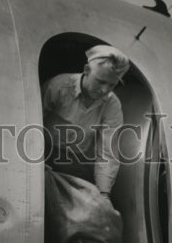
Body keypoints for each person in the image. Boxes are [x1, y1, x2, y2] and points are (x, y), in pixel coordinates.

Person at [41, 45, 130, 198]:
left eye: (112, 85)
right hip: (43, 153)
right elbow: (31, 125)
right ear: (87, 70)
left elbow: (108, 152)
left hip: (76, 163)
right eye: (100, 81)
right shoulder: (58, 86)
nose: (104, 90)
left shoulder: (112, 104)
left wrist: (103, 193)